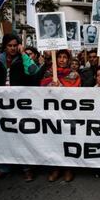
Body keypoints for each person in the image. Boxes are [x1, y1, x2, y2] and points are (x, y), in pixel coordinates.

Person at [0, 34, 40, 183]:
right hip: (2, 105)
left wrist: (23, 54)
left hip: (19, 104)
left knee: (22, 134)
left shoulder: (21, 58)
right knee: (3, 135)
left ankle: (26, 168)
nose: (12, 48)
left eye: (15, 45)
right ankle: (4, 167)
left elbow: (33, 70)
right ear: (5, 46)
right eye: (9, 46)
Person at [41, 50, 80, 182]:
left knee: (68, 139)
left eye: (64, 57)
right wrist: (51, 85)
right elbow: (40, 91)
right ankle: (56, 167)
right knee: (55, 140)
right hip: (53, 112)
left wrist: (61, 86)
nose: (62, 60)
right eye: (59, 57)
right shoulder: (48, 73)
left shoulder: (74, 75)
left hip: (69, 112)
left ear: (68, 60)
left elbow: (76, 92)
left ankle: (68, 168)